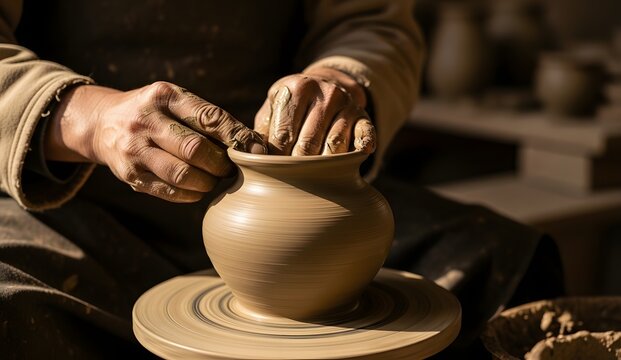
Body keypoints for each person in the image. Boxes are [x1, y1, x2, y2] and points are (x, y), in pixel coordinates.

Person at [0, 1, 562, 358]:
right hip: (65, 195)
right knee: (12, 309)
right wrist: (89, 119)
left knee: (503, 262)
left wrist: (341, 77)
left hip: (283, 181)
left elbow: (372, 20)